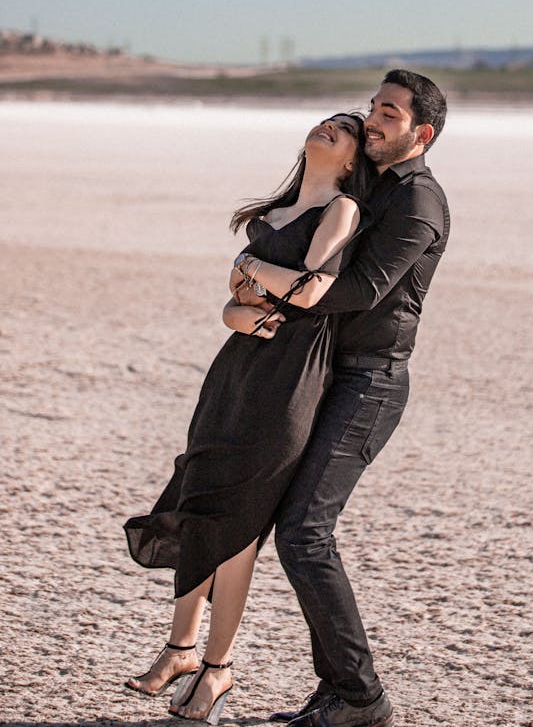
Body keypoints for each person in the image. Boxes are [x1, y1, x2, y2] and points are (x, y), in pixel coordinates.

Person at [123, 112, 375, 724]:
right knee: (201, 498)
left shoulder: (341, 210)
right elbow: (236, 305)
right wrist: (246, 303)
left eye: (343, 129)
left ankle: (216, 666)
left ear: (350, 160)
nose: (328, 128)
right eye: (324, 122)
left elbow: (310, 291)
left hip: (289, 379)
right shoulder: (272, 217)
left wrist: (256, 276)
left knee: (241, 521)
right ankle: (185, 651)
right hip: (234, 374)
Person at [236, 69, 449, 727]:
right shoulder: (370, 187)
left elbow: (359, 291)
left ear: (423, 132)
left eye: (390, 111)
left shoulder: (418, 202)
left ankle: (363, 698)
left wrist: (263, 276)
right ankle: (336, 693)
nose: (374, 118)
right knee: (292, 527)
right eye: (373, 106)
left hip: (371, 382)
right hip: (325, 371)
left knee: (305, 531)